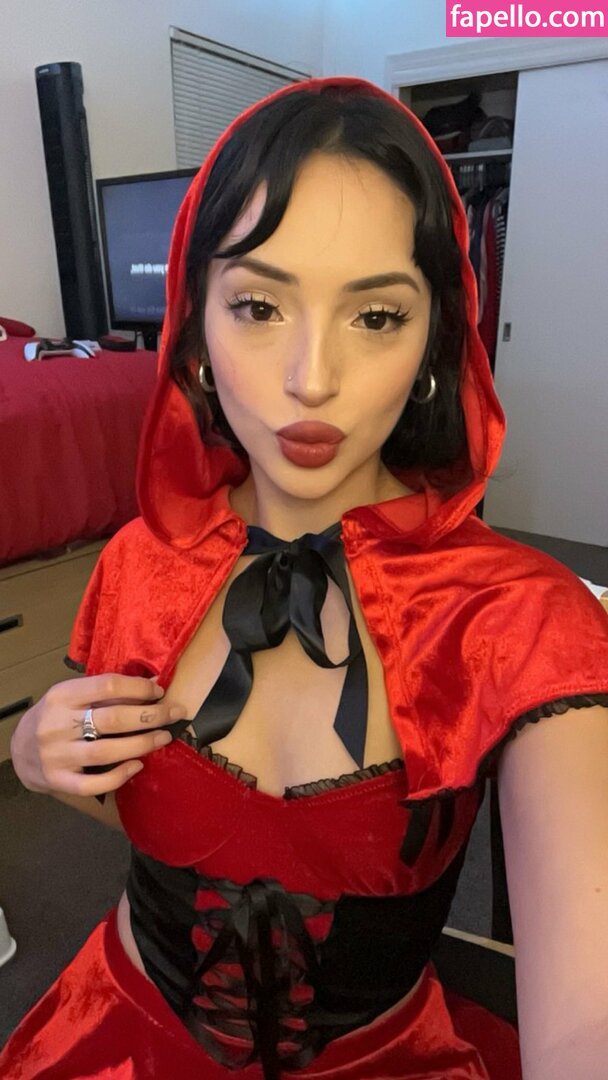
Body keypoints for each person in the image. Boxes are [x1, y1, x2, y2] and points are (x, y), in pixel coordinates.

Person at [2, 77, 608, 1080]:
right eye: (257, 305)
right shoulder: (138, 562)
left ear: (432, 339)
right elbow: (147, 813)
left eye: (375, 315)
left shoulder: (518, 619)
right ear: (193, 332)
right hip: (114, 1032)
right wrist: (36, 752)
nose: (311, 378)